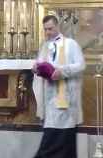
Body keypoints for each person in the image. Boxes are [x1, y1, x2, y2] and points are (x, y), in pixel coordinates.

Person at [32, 15, 86, 158]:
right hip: (50, 100)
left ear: (58, 27)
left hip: (66, 100)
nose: (48, 32)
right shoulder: (44, 47)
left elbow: (81, 65)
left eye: (50, 28)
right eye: (45, 30)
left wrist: (61, 71)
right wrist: (36, 68)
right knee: (50, 139)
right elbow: (39, 63)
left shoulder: (71, 44)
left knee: (63, 142)